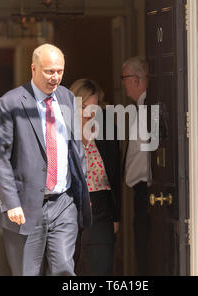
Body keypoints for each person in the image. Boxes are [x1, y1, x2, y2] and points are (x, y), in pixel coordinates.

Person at [0, 43, 91, 276]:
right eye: (49, 71)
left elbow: (76, 148)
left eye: (59, 71)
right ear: (33, 68)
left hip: (64, 202)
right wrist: (11, 202)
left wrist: (82, 190)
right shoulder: (11, 102)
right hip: (25, 206)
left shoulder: (67, 98)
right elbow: (0, 158)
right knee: (27, 272)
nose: (55, 77)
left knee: (65, 269)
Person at [70, 78, 121, 276]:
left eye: (93, 107)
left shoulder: (107, 130)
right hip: (70, 208)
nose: (88, 114)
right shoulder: (63, 131)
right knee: (69, 269)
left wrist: (117, 216)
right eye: (83, 107)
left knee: (100, 268)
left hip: (101, 209)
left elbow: (115, 175)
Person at [121, 56, 152, 276]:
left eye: (124, 78)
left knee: (145, 251)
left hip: (147, 192)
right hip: (142, 191)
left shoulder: (147, 110)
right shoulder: (141, 108)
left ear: (136, 79)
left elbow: (141, 157)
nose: (122, 83)